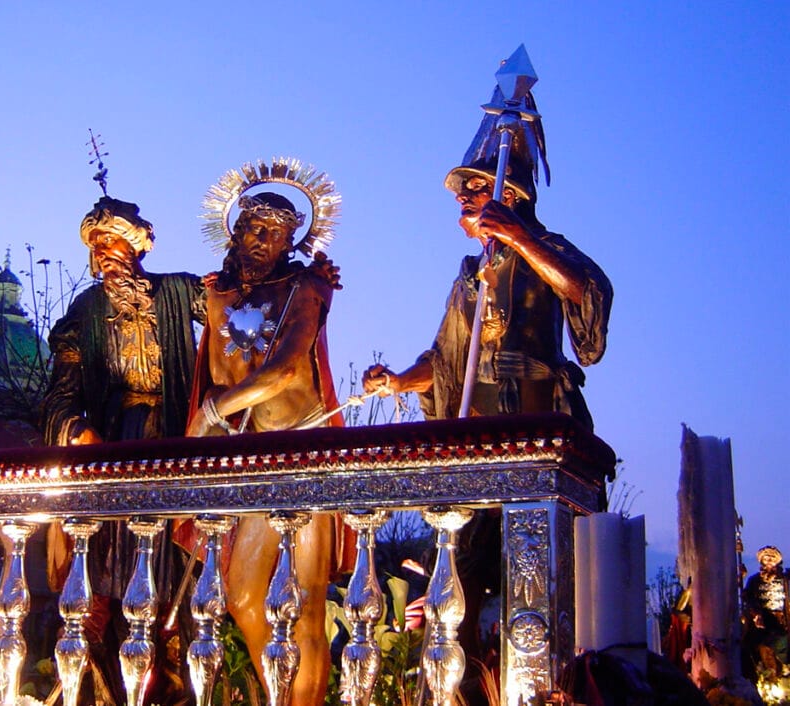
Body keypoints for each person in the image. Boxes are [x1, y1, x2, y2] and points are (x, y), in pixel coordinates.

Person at [362, 90, 612, 431]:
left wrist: (520, 237)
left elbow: (590, 292)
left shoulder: (546, 249)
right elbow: (444, 363)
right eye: (460, 192)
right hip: (477, 412)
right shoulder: (469, 274)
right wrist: (398, 382)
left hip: (534, 408)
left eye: (477, 186)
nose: (463, 195)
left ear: (507, 195)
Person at [40, 193, 204, 706]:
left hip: (175, 443)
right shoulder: (84, 313)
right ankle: (99, 685)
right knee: (103, 575)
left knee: (173, 572)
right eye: (96, 246)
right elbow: (61, 391)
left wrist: (300, 278)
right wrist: (72, 426)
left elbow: (238, 306)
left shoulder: (178, 292)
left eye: (113, 243)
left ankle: (172, 678)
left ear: (137, 248)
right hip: (112, 447)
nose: (104, 255)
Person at [187, 190, 342, 706]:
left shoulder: (303, 289)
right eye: (256, 227)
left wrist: (213, 412)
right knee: (244, 597)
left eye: (278, 234)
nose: (264, 241)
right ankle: (283, 697)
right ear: (236, 230)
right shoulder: (217, 298)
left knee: (309, 604)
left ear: (290, 242)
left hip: (306, 454)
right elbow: (217, 373)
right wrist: (214, 413)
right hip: (254, 458)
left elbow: (289, 369)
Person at [742, 545, 789, 679]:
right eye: (766, 558)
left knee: (782, 645)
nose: (769, 561)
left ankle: (782, 670)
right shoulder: (755, 580)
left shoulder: (785, 580)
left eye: (772, 558)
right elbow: (748, 597)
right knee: (757, 645)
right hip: (762, 620)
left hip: (781, 621)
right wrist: (755, 612)